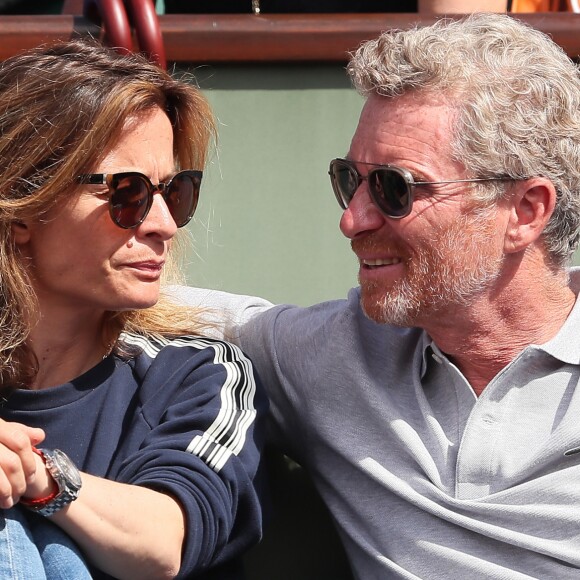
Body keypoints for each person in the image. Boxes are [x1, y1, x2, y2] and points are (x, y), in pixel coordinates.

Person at [174, 12, 580, 579]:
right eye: (349, 179)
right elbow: (164, 309)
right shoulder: (338, 356)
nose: (352, 220)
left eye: (395, 188)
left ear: (525, 212)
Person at [0, 39, 267, 579]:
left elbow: (167, 540)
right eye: (127, 193)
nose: (164, 224)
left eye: (176, 192)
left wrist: (37, 475)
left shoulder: (195, 374)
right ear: (24, 205)